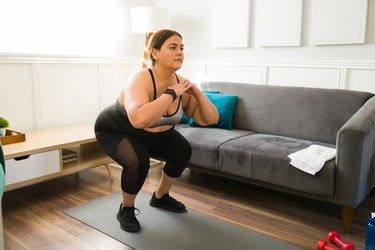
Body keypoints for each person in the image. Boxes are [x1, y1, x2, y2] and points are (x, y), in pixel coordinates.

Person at [94, 29, 219, 232]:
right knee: (138, 161)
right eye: (172, 47)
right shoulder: (140, 79)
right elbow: (138, 119)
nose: (179, 52)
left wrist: (196, 92)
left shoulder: (182, 84)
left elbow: (210, 119)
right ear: (155, 53)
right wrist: (170, 94)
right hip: (118, 129)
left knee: (182, 151)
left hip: (158, 134)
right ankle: (126, 209)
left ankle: (160, 197)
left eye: (181, 47)